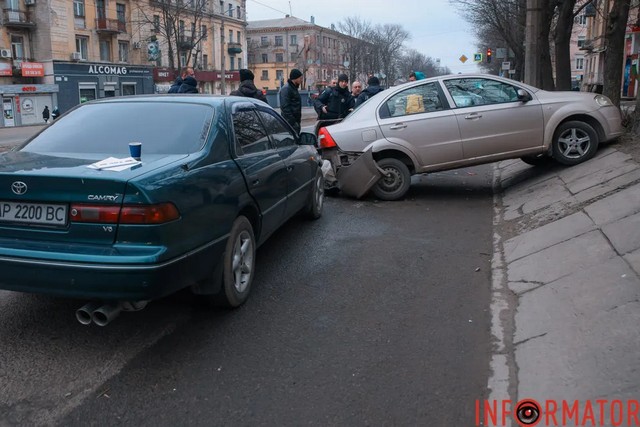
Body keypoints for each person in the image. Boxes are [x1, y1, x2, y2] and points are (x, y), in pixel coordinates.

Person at [279, 68, 303, 133]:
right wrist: (293, 123)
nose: (301, 80)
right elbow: (285, 108)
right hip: (290, 124)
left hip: (294, 123)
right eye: (300, 78)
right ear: (296, 78)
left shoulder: (293, 88)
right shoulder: (286, 89)